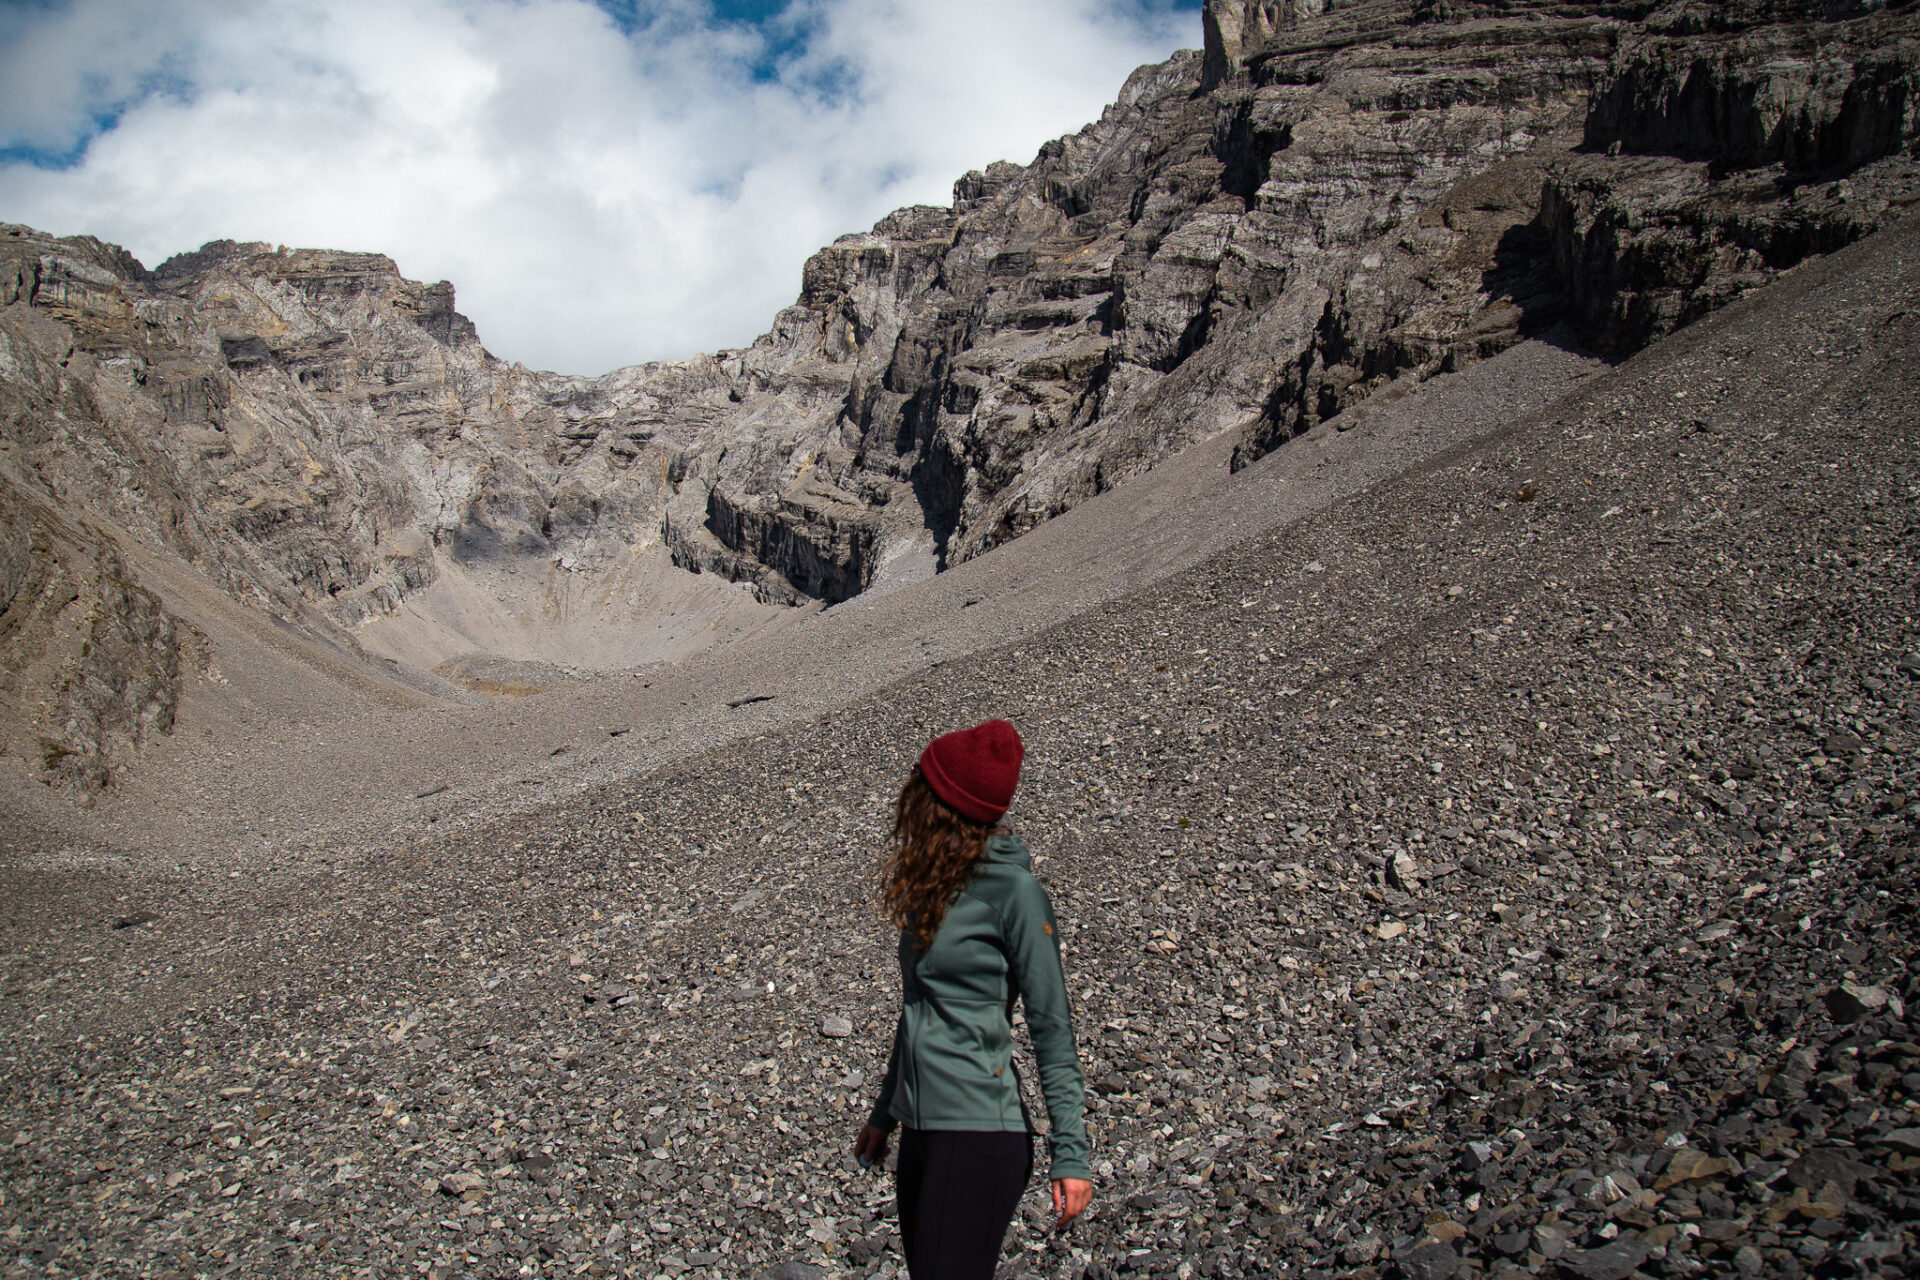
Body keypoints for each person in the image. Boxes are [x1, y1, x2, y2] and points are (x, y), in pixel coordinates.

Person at [852, 718, 1092, 1280]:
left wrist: (1071, 1154)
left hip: (980, 1133)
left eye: (920, 786)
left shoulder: (1016, 894)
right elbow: (918, 1011)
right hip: (922, 1132)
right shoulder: (933, 888)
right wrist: (885, 1113)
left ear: (943, 805)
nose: (907, 797)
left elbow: (1051, 1025)